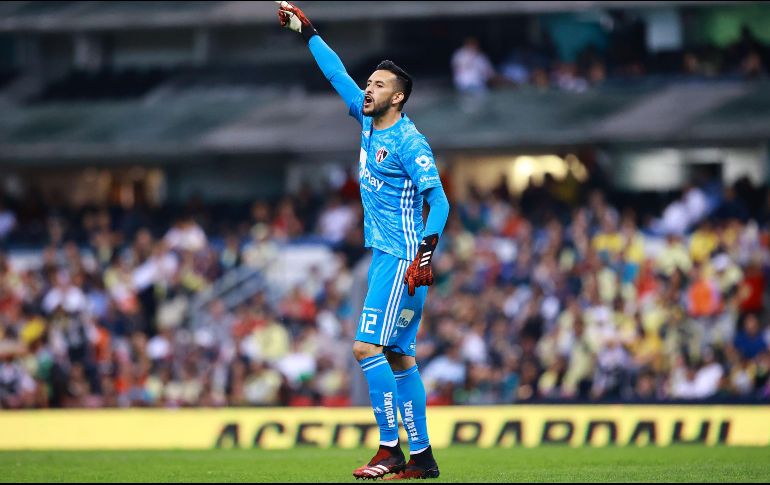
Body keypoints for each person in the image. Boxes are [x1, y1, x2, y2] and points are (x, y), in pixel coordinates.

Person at [277, 2, 450, 480]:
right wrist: (308, 31)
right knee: (400, 356)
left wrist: (424, 256)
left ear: (399, 98)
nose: (367, 89)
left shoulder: (411, 144)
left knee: (364, 348)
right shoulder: (367, 120)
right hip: (396, 260)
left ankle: (390, 448)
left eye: (378, 85)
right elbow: (336, 75)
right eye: (369, 83)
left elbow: (441, 205)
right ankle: (423, 458)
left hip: (402, 259)